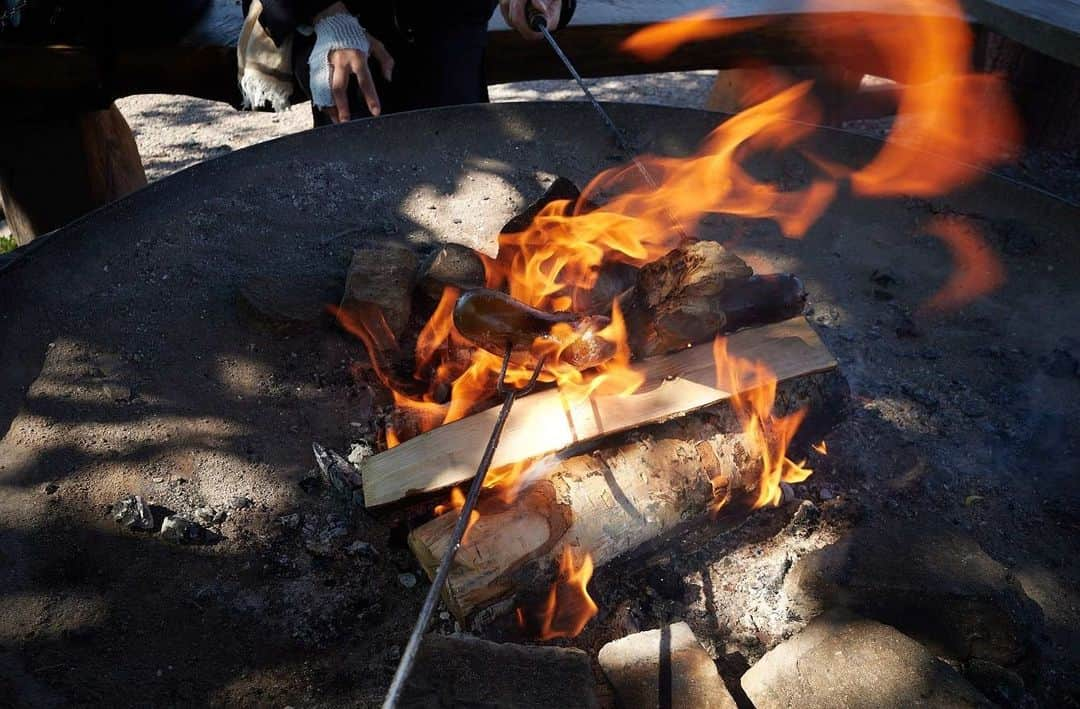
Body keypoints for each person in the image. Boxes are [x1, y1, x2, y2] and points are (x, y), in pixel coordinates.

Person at [238, 0, 574, 126]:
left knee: (459, 145)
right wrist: (328, 15)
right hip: (348, 25)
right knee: (358, 156)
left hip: (451, 30)